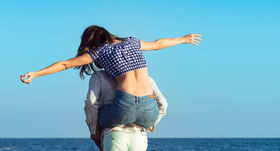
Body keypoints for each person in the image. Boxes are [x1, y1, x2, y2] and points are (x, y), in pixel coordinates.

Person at [20, 25, 200, 131]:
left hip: (125, 107)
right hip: (149, 111)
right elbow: (158, 44)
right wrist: (183, 39)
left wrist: (36, 73)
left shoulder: (98, 51)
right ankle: (145, 127)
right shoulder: (132, 41)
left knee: (95, 120)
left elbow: (65, 64)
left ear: (90, 42)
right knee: (155, 110)